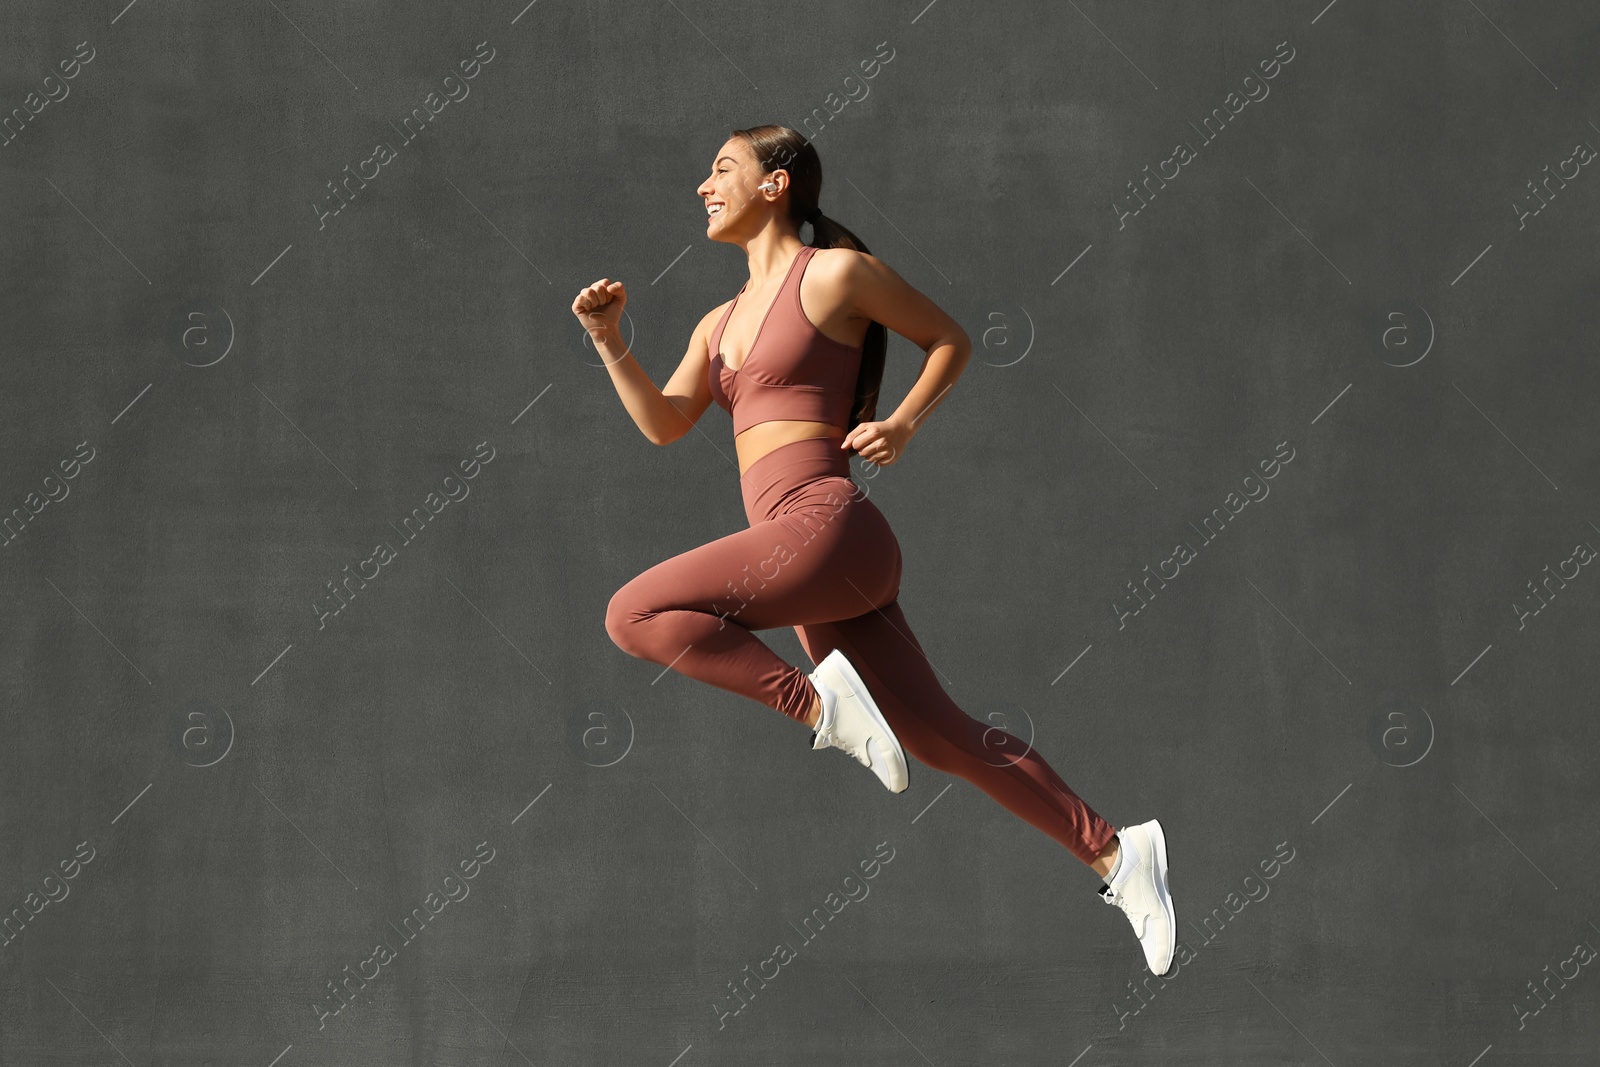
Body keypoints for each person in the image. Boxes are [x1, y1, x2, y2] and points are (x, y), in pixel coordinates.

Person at [575, 125, 1176, 975]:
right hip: (812, 560)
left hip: (826, 527)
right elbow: (668, 423)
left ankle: (821, 708)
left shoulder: (834, 275)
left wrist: (900, 422)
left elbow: (951, 340)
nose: (703, 185)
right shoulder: (718, 324)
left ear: (777, 184)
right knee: (941, 738)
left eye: (722, 169)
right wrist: (609, 340)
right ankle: (1120, 853)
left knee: (632, 611)